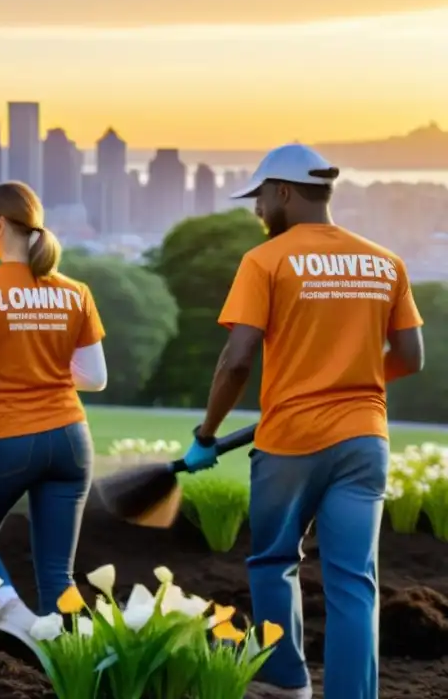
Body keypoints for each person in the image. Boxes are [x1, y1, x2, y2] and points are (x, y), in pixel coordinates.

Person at [183, 144, 425, 699]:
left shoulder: (265, 260)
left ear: (285, 192)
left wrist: (206, 434)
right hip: (365, 439)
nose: (257, 210)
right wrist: (352, 380)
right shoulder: (384, 261)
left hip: (290, 441)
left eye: (261, 197)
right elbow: (411, 358)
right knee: (353, 583)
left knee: (272, 562)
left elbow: (237, 359)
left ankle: (285, 681)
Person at [0, 180, 107, 662]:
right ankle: (77, 674)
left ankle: (13, 613)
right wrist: (46, 369)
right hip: (71, 440)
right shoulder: (76, 292)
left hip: (7, 438)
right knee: (58, 574)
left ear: (0, 224)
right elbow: (95, 378)